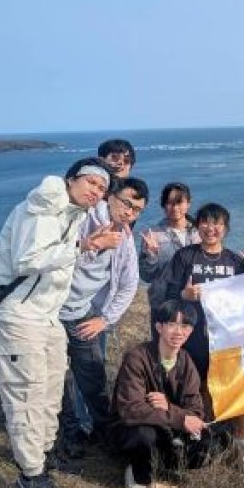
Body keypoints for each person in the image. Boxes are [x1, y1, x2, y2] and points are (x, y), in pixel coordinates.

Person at [0, 157, 118, 488]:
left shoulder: (73, 215)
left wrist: (86, 242)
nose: (96, 191)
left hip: (46, 317)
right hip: (16, 317)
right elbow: (28, 259)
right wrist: (84, 247)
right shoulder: (43, 206)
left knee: (51, 392)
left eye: (102, 189)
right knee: (26, 395)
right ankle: (31, 480)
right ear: (71, 179)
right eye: (91, 182)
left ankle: (39, 464)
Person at [56, 177, 148, 463]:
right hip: (52, 313)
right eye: (126, 204)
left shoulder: (124, 237)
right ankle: (69, 435)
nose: (129, 213)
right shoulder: (81, 217)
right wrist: (89, 244)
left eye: (137, 210)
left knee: (92, 378)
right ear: (111, 197)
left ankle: (104, 434)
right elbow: (50, 253)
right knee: (56, 380)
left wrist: (104, 319)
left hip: (85, 315)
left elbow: (129, 284)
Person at [162, 203, 244, 473]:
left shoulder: (236, 261)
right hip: (193, 341)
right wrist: (184, 296)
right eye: (205, 222)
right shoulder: (185, 257)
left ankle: (242, 448)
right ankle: (199, 444)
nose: (210, 228)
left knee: (237, 393)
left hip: (227, 342)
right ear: (198, 226)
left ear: (225, 229)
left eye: (217, 224)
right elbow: (167, 297)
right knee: (195, 393)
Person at [111, 300, 208, 488]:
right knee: (144, 435)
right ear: (159, 327)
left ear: (191, 331)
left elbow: (196, 411)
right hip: (133, 429)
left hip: (168, 428)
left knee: (206, 440)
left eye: (185, 326)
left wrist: (169, 408)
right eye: (172, 324)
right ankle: (139, 476)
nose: (178, 332)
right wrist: (179, 418)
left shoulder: (187, 362)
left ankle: (162, 466)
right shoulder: (137, 357)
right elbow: (131, 410)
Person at [139, 182, 200, 332]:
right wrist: (150, 255)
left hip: (195, 301)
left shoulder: (200, 232)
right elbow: (146, 276)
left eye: (179, 202)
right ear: (163, 205)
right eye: (169, 203)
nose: (174, 208)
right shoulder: (153, 235)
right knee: (164, 350)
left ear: (188, 204)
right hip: (164, 302)